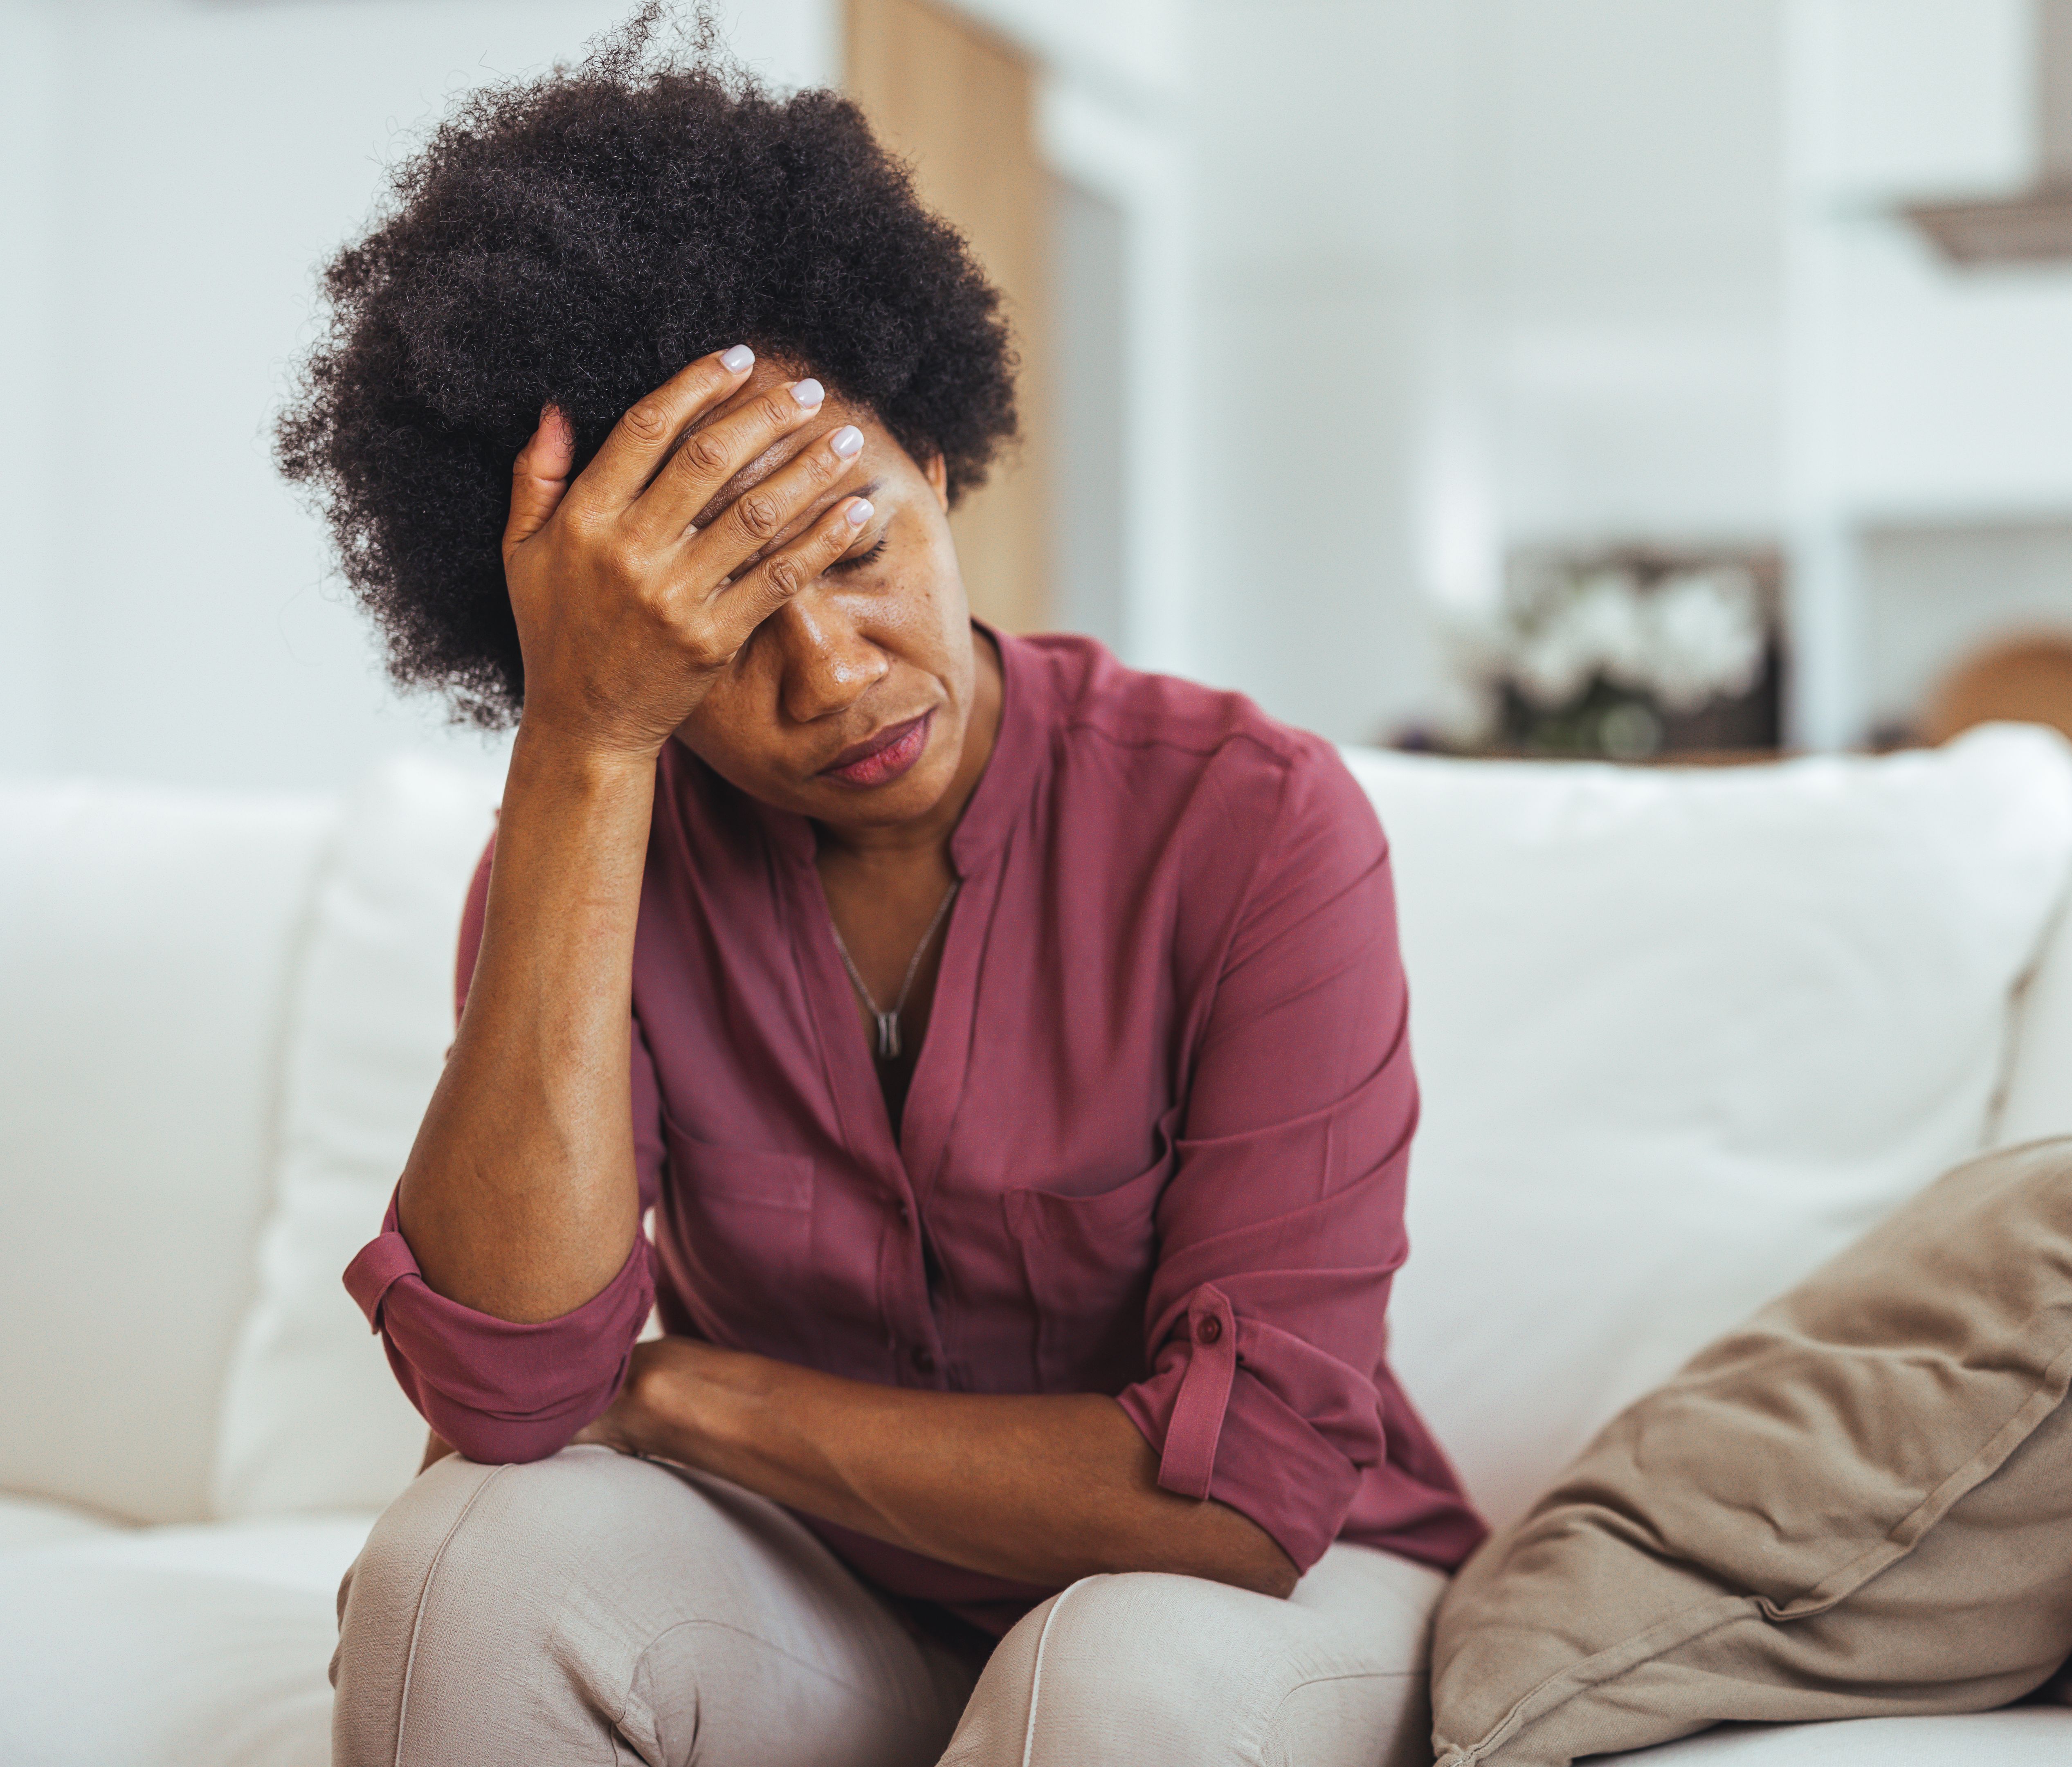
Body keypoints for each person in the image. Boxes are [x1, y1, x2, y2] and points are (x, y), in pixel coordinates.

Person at [276, 12, 1485, 1764]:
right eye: (716, 634)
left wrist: (686, 1391)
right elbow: (514, 1394)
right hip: (843, 1602)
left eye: (857, 555)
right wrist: (588, 752)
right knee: (459, 1570)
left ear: (931, 462)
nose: (835, 676)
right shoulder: (588, 847)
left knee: (1108, 1679)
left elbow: (1243, 1491)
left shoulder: (1251, 822)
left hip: (1274, 1607)